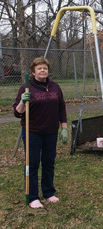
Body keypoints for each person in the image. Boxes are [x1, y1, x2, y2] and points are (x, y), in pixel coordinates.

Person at [13, 57, 68, 209]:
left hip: (51, 131)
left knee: (49, 161)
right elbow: (17, 113)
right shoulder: (26, 87)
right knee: (32, 163)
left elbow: (61, 108)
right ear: (33, 72)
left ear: (48, 71)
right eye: (39, 68)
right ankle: (32, 197)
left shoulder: (55, 87)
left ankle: (49, 193)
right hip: (33, 131)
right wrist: (22, 102)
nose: (43, 70)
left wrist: (64, 127)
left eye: (45, 68)